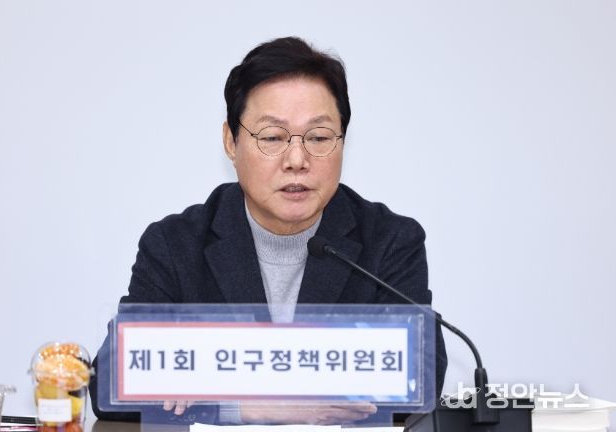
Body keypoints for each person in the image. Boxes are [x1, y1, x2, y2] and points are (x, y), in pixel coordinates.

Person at [90, 36, 447, 426]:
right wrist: (248, 407)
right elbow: (111, 383)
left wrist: (208, 380)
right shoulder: (176, 244)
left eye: (319, 137)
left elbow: (421, 376)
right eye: (273, 137)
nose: (297, 159)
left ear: (343, 140)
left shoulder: (390, 240)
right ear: (231, 141)